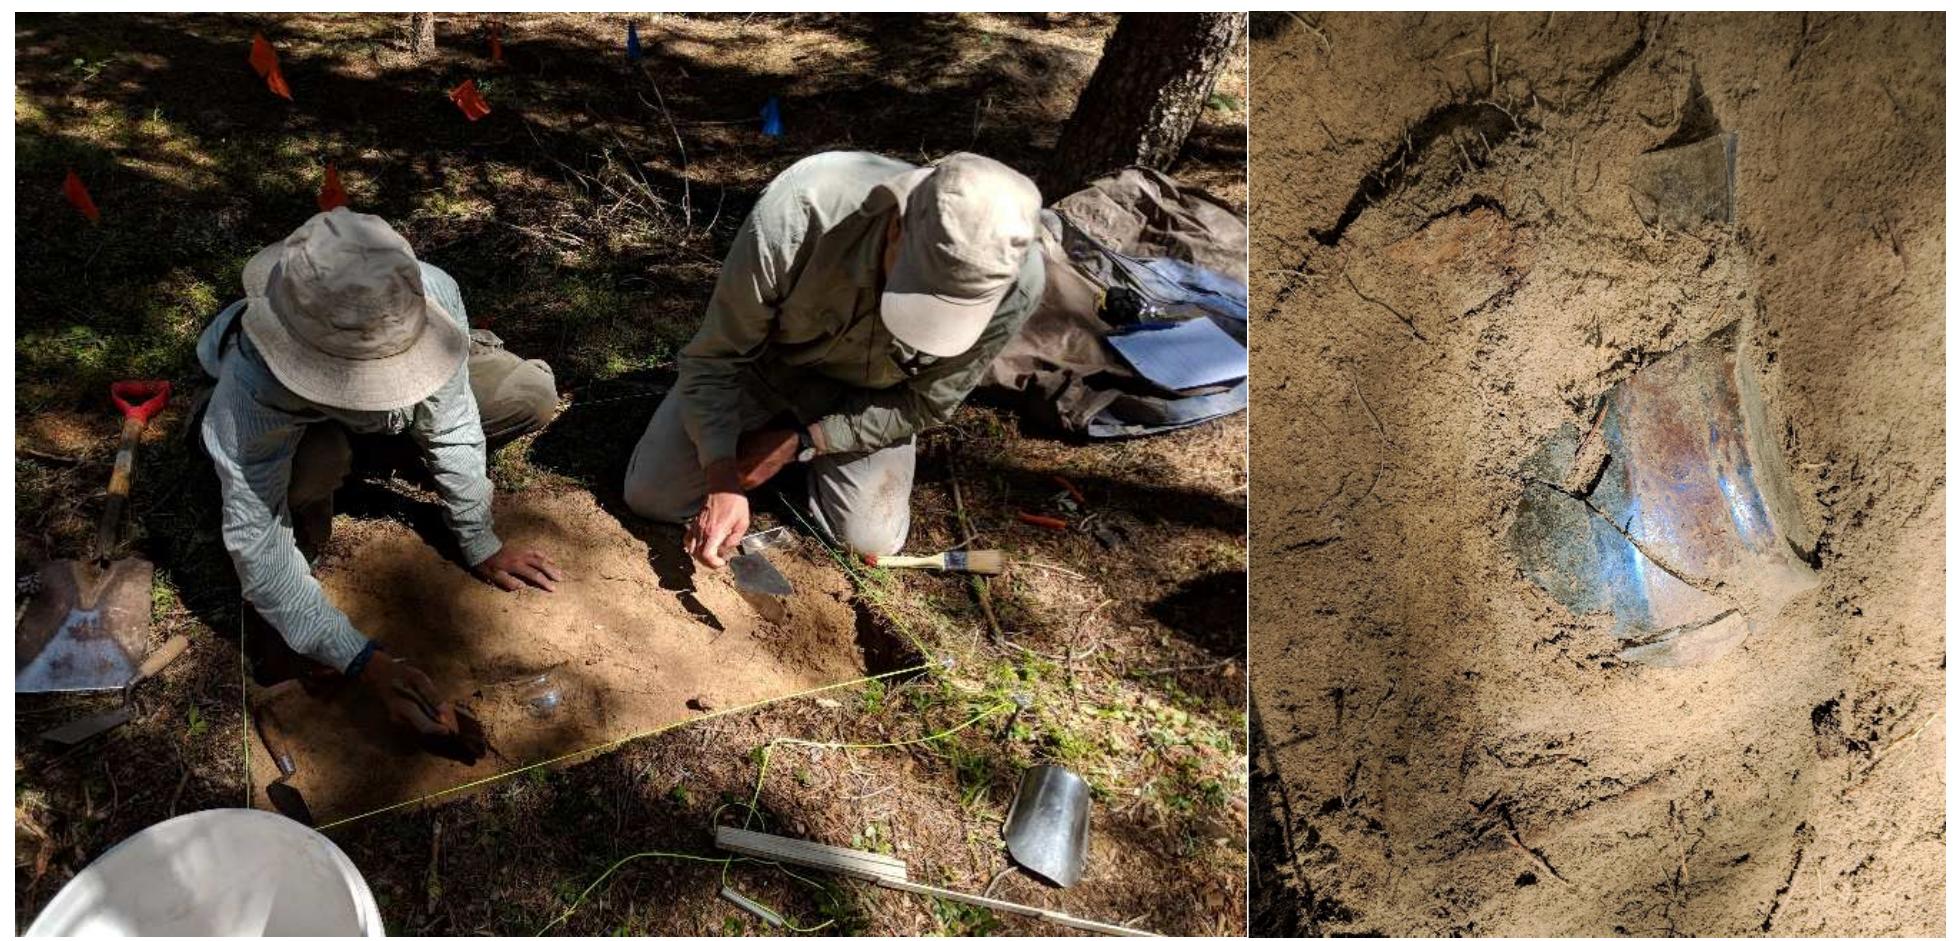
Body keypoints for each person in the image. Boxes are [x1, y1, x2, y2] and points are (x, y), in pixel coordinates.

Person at [199, 209, 562, 734]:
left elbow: (455, 422)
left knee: (525, 394)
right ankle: (332, 479)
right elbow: (257, 534)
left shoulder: (431, 291)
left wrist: (480, 539)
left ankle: (374, 450)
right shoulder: (255, 374)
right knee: (316, 465)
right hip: (304, 429)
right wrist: (356, 657)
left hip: (387, 422)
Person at [624, 151, 1046, 568]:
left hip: (867, 402)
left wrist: (803, 441)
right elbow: (716, 358)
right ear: (898, 223)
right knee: (654, 495)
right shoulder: (804, 209)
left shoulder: (1018, 287)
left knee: (871, 538)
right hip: (765, 371)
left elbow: (925, 403)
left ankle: (796, 460)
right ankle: (756, 452)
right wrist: (721, 475)